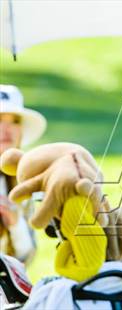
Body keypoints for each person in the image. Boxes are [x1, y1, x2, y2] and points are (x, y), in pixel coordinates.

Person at [0, 84, 46, 264]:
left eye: (15, 121)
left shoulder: (23, 180)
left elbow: (25, 257)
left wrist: (15, 223)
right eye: (0, 119)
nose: (7, 129)